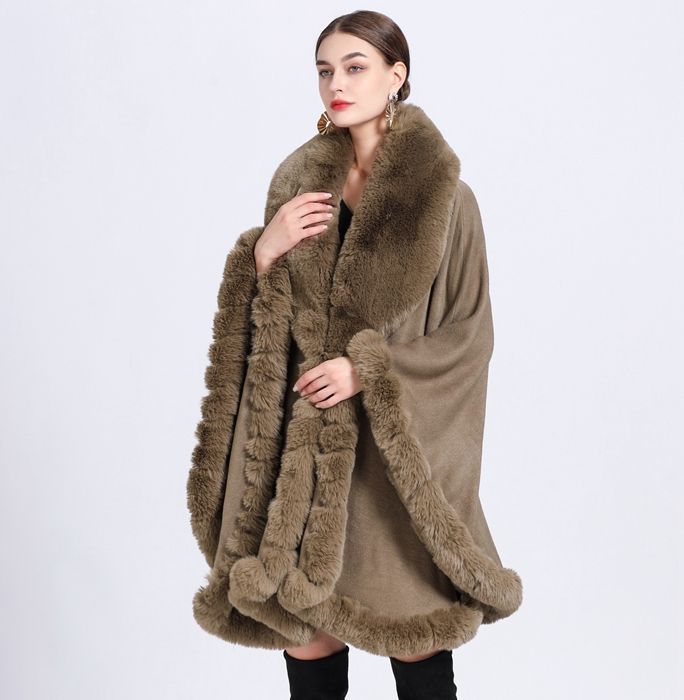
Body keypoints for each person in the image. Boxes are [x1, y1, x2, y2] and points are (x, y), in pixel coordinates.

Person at [186, 10, 523, 700]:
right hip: (304, 455)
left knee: (417, 642)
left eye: (355, 67)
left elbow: (469, 336)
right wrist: (263, 254)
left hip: (390, 461)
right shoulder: (297, 186)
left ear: (396, 76)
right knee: (307, 646)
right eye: (324, 70)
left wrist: (367, 371)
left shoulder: (447, 200)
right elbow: (266, 334)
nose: (336, 84)